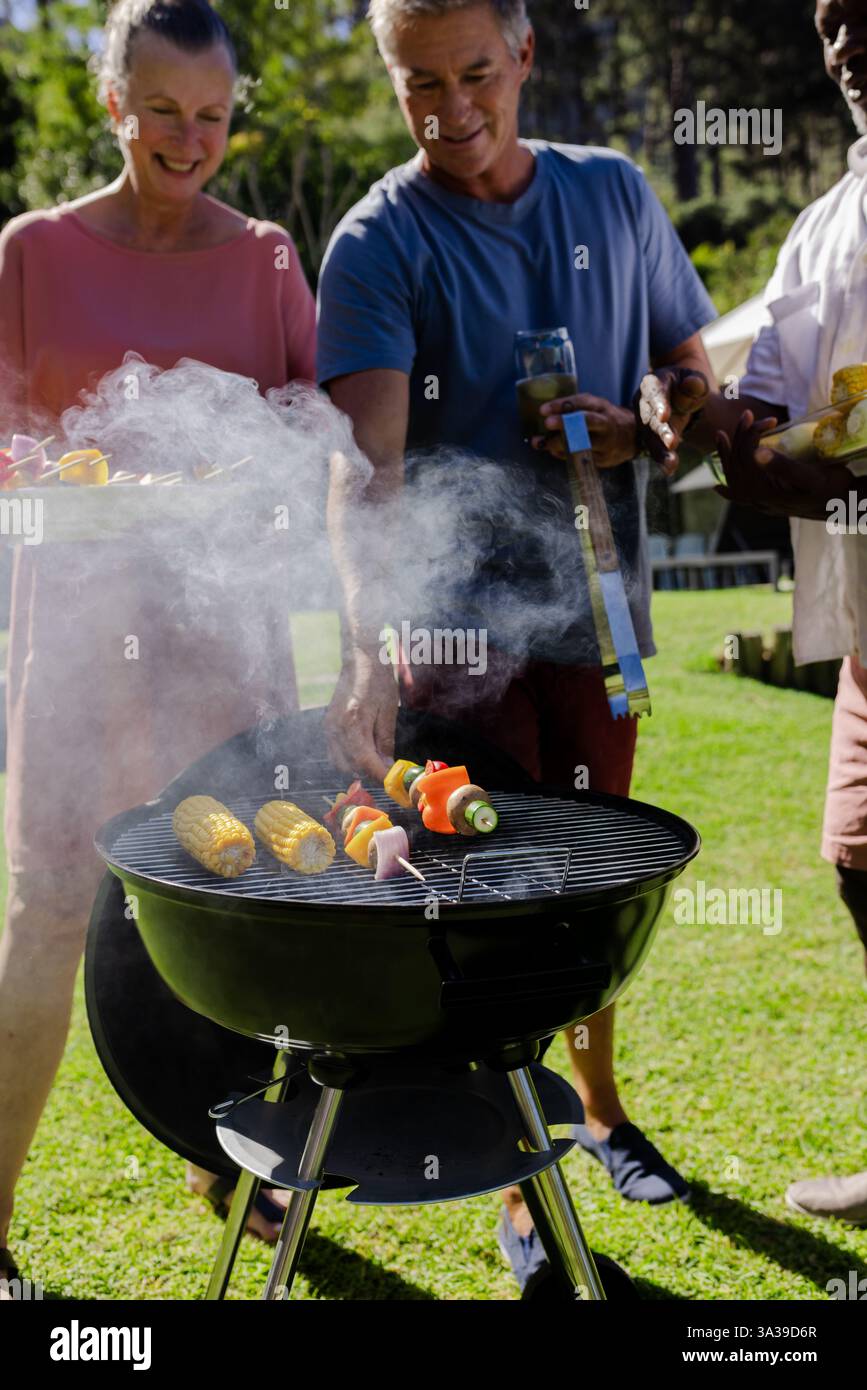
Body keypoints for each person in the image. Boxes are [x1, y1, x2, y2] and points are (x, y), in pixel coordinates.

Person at [316, 0, 714, 1288]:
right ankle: (527, 1185)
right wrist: (369, 651)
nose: (450, 107)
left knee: (594, 881)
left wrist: (645, 418)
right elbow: (366, 467)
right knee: (501, 899)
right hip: (456, 636)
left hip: (603, 614)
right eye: (415, 82)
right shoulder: (380, 238)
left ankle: (599, 1114)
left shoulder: (614, 194)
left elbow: (688, 381)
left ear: (527, 54)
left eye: (475, 72)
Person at [0, 0, 316, 1294]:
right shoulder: (30, 250)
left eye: (211, 115)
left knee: (228, 901)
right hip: (74, 635)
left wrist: (270, 486)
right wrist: (37, 474)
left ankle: (219, 1152)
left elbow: (313, 442)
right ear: (112, 102)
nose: (189, 140)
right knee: (50, 913)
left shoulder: (268, 259)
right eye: (161, 111)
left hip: (223, 634)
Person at [641, 0, 867, 1229]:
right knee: (861, 868)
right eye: (830, 18)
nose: (846, 37)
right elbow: (766, 418)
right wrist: (710, 422)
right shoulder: (825, 227)